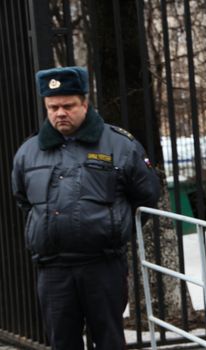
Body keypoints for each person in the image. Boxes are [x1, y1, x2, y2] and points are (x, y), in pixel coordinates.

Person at [11, 66, 160, 350]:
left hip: (102, 265)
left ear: (85, 103)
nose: (60, 113)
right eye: (53, 107)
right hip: (53, 269)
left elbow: (146, 196)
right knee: (61, 341)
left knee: (108, 341)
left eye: (68, 105)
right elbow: (23, 199)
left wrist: (114, 228)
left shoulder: (120, 145)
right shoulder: (29, 152)